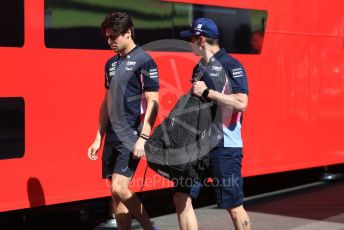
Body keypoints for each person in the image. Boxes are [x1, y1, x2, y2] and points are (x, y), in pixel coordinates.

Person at [174, 18, 251, 230]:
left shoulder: (231, 65)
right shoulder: (198, 68)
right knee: (181, 197)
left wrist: (208, 92)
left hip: (225, 146)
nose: (189, 43)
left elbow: (241, 104)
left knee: (233, 205)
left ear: (200, 40)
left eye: (190, 39)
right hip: (198, 146)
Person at [87, 12, 159, 230]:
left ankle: (149, 227)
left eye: (114, 36)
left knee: (120, 187)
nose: (110, 41)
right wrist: (98, 137)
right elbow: (106, 102)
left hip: (133, 135)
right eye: (107, 37)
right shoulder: (110, 64)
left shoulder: (145, 60)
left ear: (128, 32)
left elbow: (153, 101)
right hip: (112, 135)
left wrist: (143, 137)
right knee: (116, 195)